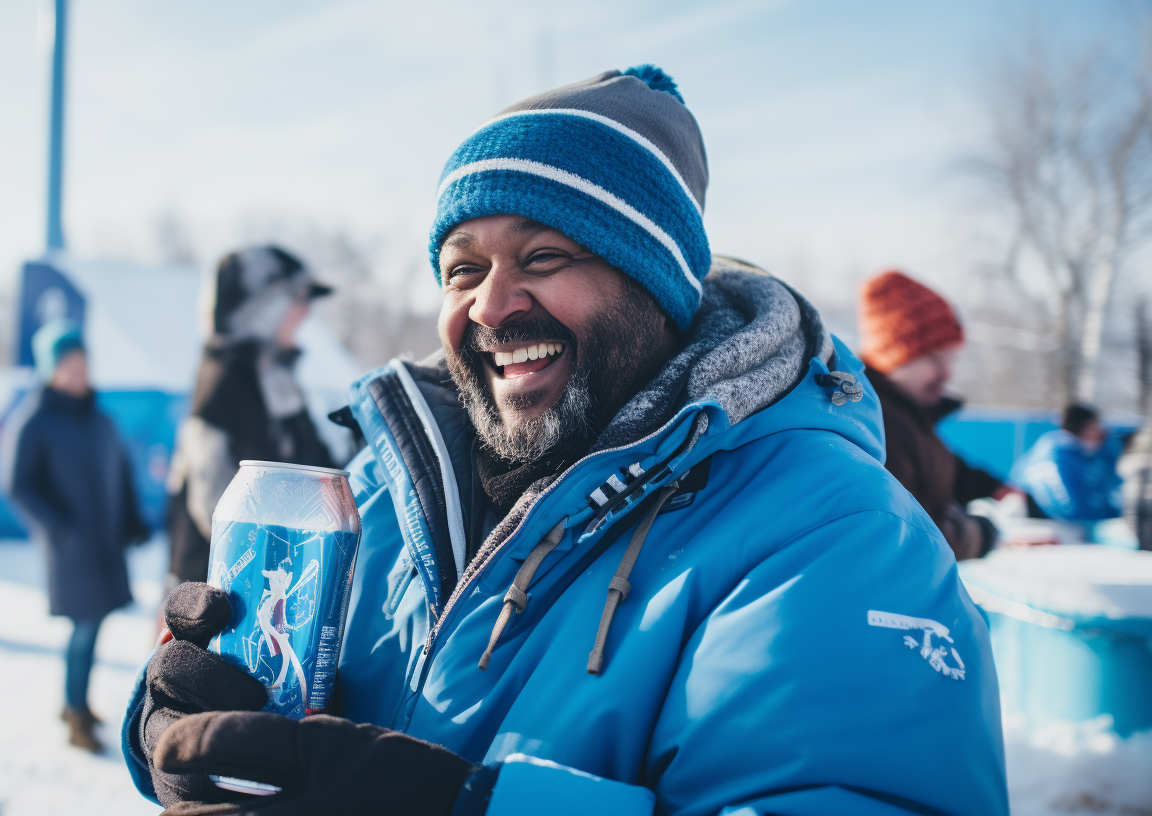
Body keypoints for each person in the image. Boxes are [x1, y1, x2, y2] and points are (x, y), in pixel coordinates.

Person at [123, 66, 1008, 816]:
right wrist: (184, 722)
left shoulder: (835, 534)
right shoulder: (391, 490)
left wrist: (471, 806)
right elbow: (290, 743)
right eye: (463, 267)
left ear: (656, 287)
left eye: (544, 256)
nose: (493, 304)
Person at [0, 320, 151, 753]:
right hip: (73, 551)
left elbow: (120, 474)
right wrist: (61, 528)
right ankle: (75, 712)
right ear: (50, 370)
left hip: (105, 545)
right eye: (67, 365)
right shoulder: (35, 420)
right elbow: (16, 483)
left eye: (82, 363)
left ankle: (76, 702)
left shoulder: (99, 418)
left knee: (96, 624)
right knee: (83, 629)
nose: (77, 372)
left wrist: (132, 519)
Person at [163, 246, 335, 589]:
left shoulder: (275, 378)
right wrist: (269, 561)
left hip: (266, 578)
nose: (306, 313)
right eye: (297, 298)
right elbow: (212, 499)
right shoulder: (226, 378)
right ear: (260, 308)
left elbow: (316, 466)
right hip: (218, 588)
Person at [858, 269, 1008, 560]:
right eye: (934, 358)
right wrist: (979, 534)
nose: (947, 373)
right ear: (894, 355)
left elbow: (943, 469)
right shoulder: (880, 423)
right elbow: (904, 537)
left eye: (951, 359)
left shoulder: (910, 415)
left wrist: (996, 489)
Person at [1012, 404, 1124, 532]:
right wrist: (1115, 514)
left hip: (1064, 526)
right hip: (1038, 527)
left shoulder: (1087, 452)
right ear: (1083, 428)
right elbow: (1069, 509)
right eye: (1095, 426)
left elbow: (1110, 487)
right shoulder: (1055, 455)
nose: (1101, 432)